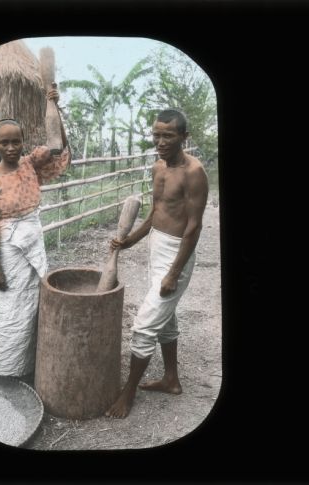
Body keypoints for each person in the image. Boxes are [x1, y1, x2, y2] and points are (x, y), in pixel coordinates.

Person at [0, 88, 70, 382]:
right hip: (8, 252)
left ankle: (28, 367)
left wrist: (55, 108)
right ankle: (5, 369)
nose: (11, 147)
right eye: (5, 142)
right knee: (9, 311)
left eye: (16, 141)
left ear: (23, 142)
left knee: (32, 304)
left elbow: (59, 149)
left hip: (33, 243)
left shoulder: (29, 164)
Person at [105, 109, 208, 418]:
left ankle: (128, 393)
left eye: (168, 135)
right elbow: (154, 213)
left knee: (144, 325)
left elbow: (194, 227)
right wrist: (130, 241)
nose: (161, 142)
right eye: (157, 135)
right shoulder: (158, 168)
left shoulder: (194, 172)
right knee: (167, 318)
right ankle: (171, 380)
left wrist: (174, 273)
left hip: (179, 253)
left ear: (183, 138)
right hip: (157, 247)